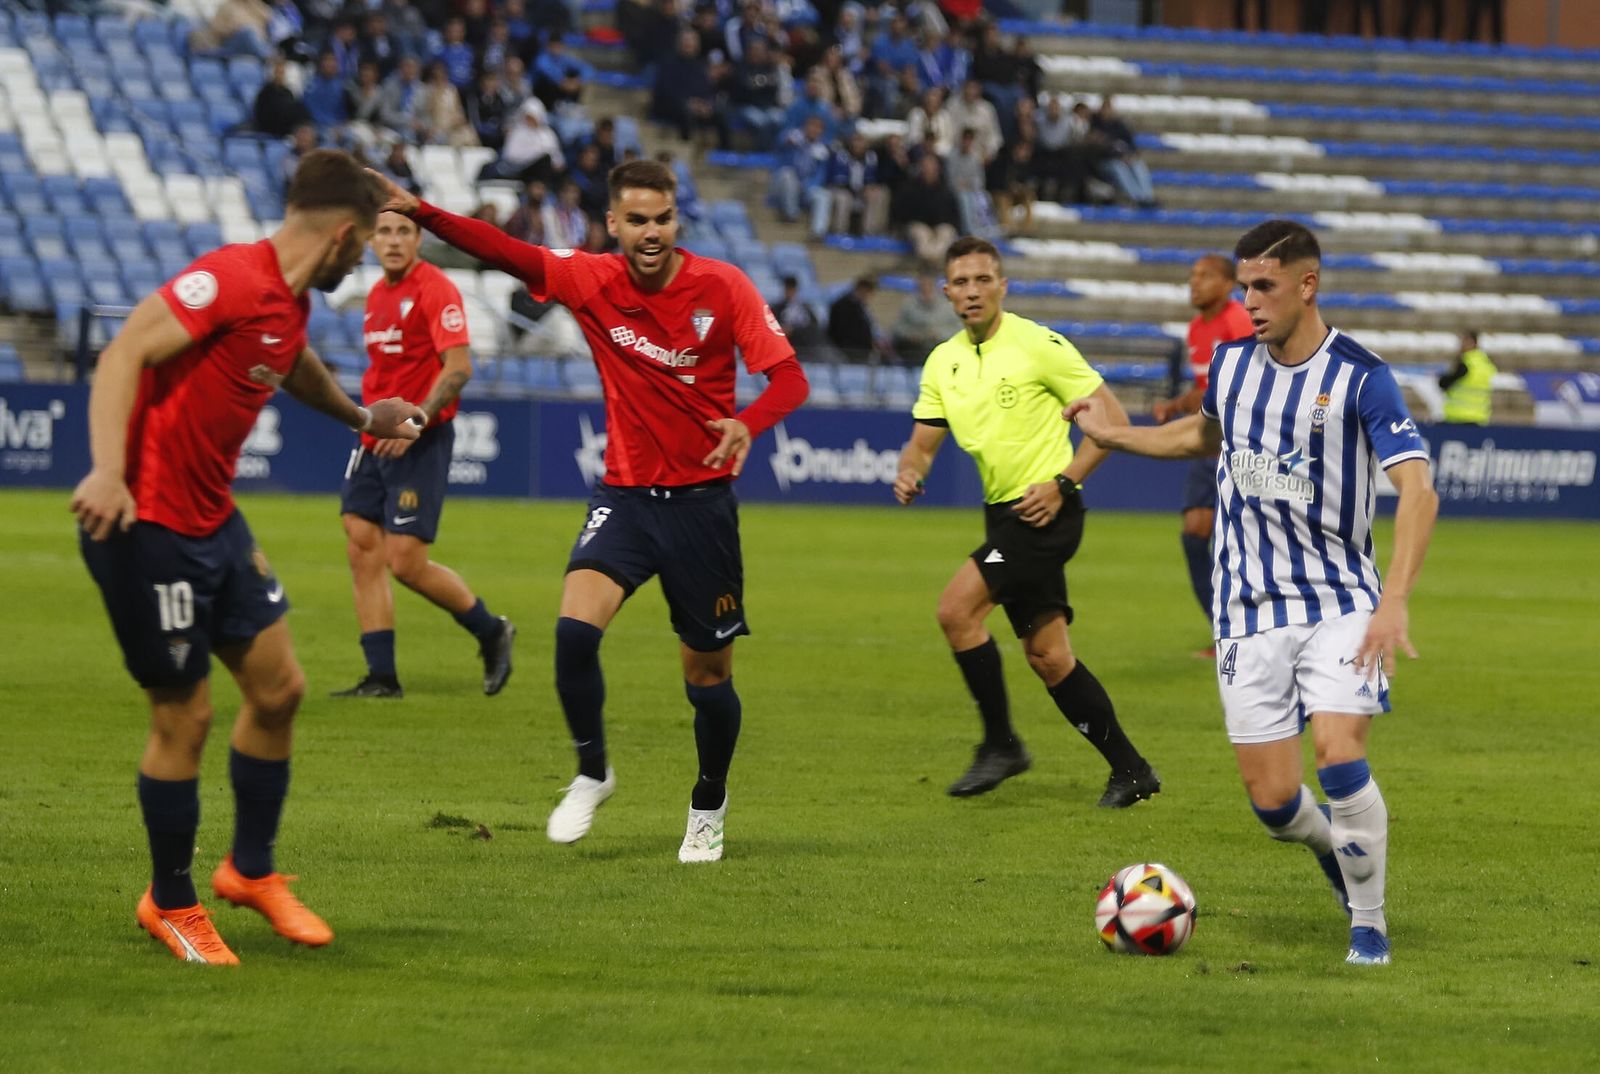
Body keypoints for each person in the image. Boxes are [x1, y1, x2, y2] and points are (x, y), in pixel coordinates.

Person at [365, 160, 810, 863]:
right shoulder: (589, 279)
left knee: (709, 678)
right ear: (613, 224)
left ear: (675, 219)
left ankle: (708, 803)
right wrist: (419, 211)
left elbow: (789, 377)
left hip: (702, 508)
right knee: (573, 634)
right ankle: (592, 771)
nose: (652, 231)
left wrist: (748, 423)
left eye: (662, 218)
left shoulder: (723, 287)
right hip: (626, 500)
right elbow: (500, 250)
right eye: (637, 220)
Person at [72, 150, 424, 966]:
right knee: (185, 717)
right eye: (366, 241)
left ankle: (249, 872)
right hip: (145, 524)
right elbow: (123, 352)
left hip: (214, 524)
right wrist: (107, 471)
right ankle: (171, 901)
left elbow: (289, 364)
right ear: (341, 237)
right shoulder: (228, 279)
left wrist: (361, 417)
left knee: (280, 690)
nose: (366, 255)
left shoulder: (285, 302)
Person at [1064, 219, 1439, 966]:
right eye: (1244, 287)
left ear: (1308, 285)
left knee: (1337, 753)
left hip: (1341, 604)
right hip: (1245, 613)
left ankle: (1369, 924)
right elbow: (1204, 438)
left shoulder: (1363, 376)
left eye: (1264, 286)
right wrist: (1118, 437)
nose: (1251, 301)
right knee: (1274, 803)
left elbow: (1418, 489)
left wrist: (1394, 599)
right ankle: (1338, 853)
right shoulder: (1232, 365)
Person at [893, 237, 1160, 806]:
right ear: (947, 292)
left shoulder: (1040, 345)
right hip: (1003, 516)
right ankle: (1131, 770)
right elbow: (922, 444)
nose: (971, 292)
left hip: (1046, 512)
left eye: (982, 280)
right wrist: (909, 472)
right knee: (1048, 655)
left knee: (955, 610)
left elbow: (1112, 421)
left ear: (1002, 286)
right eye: (960, 283)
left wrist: (1064, 484)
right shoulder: (944, 361)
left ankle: (1001, 745)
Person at [334, 211, 516, 700]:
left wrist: (416, 420)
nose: (393, 241)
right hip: (373, 439)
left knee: (406, 562)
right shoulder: (375, 297)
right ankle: (381, 676)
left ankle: (490, 629)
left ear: (417, 239)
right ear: (371, 240)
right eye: (385, 232)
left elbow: (458, 367)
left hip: (420, 438)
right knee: (360, 545)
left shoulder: (435, 289)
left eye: (404, 232)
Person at [1152, 255, 1254, 656]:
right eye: (1191, 275)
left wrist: (1181, 404)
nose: (1194, 283)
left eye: (1205, 276)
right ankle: (1222, 630)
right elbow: (1207, 390)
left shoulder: (1238, 321)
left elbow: (1234, 384)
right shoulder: (1196, 329)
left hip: (1243, 443)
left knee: (1240, 541)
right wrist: (1181, 404)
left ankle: (1253, 627)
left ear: (1229, 283)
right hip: (1209, 443)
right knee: (1195, 534)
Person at [1438, 329, 1496, 425]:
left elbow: (1444, 383)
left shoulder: (1466, 363)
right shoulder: (1486, 363)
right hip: (1480, 417)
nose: (1461, 345)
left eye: (1464, 341)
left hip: (1458, 416)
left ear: (1473, 343)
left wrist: (1441, 379)